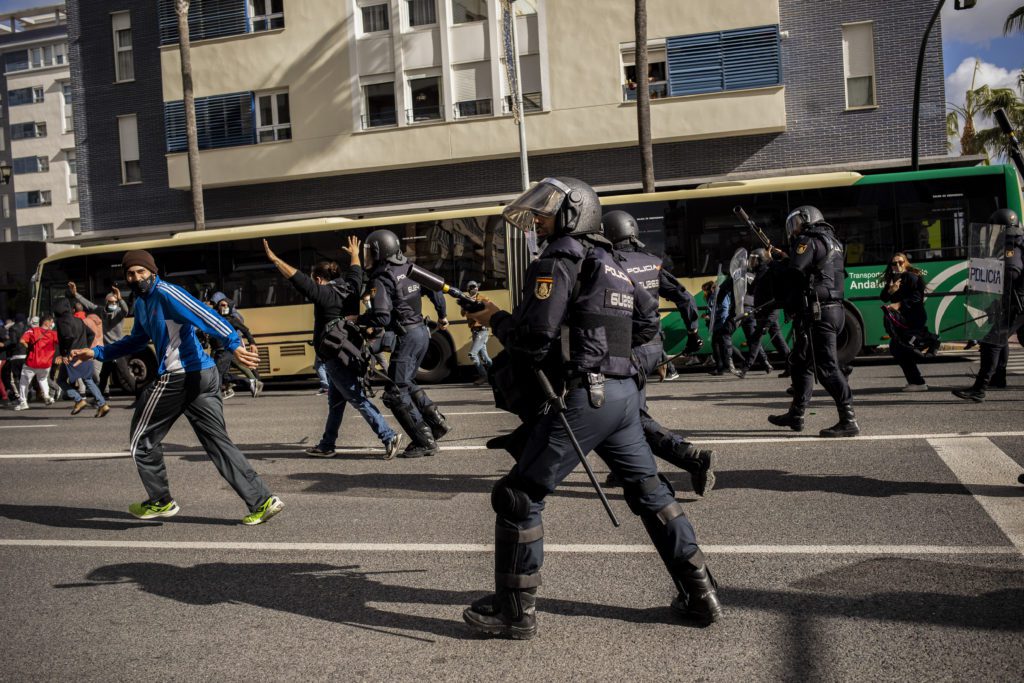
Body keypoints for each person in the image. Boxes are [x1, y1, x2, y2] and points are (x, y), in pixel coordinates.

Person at [461, 177, 721, 640]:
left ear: (572, 214)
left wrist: (493, 318)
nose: (538, 220)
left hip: (584, 398)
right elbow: (644, 326)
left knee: (517, 498)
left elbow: (535, 336)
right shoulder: (613, 261)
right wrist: (606, 355)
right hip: (621, 398)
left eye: (546, 212)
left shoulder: (559, 257)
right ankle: (701, 593)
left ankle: (514, 612)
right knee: (653, 496)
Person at [69, 249, 284, 525]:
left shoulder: (167, 293)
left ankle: (161, 500)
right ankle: (262, 500)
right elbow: (136, 341)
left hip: (181, 375)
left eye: (141, 272)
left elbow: (203, 313)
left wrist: (233, 343)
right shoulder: (143, 303)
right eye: (131, 274)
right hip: (199, 377)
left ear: (153, 272)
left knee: (141, 441)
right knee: (218, 443)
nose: (136, 278)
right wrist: (97, 353)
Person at [603, 209, 713, 496]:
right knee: (631, 408)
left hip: (627, 349)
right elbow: (684, 296)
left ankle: (691, 457)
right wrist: (692, 333)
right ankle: (625, 467)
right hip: (653, 345)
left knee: (629, 415)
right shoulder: (652, 262)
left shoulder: (610, 263)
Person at [263, 236, 401, 459]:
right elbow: (356, 270)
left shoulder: (324, 294)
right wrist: (354, 253)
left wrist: (275, 259)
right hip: (349, 352)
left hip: (335, 357)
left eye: (313, 280)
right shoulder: (352, 287)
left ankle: (388, 435)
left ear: (318, 279)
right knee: (336, 403)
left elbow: (296, 278)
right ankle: (327, 445)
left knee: (356, 399)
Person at [768, 206, 859, 437]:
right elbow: (813, 268)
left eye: (796, 222)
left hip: (820, 312)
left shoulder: (807, 239)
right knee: (800, 363)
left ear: (807, 219)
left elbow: (795, 273)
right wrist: (788, 257)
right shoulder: (831, 241)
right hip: (832, 310)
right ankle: (796, 415)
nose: (794, 229)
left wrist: (777, 264)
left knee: (826, 367)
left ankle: (848, 420)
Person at [360, 229, 450, 458]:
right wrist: (442, 316)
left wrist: (358, 320)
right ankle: (437, 423)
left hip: (407, 336)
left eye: (370, 251)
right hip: (422, 332)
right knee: (406, 383)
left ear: (380, 251)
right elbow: (437, 290)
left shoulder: (382, 277)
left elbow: (382, 316)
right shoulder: (410, 267)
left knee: (394, 392)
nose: (367, 256)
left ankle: (425, 441)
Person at [953, 209, 1024, 402]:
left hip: (1014, 305)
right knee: (999, 341)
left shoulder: (1011, 245)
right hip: (1016, 305)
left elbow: (1011, 273)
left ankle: (979, 389)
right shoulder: (1019, 240)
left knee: (991, 343)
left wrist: (990, 288)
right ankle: (998, 378)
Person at [880, 253, 934, 391]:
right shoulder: (893, 279)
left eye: (900, 262)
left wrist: (899, 305)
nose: (897, 265)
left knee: (900, 347)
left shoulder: (911, 277)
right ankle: (917, 381)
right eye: (894, 263)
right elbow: (884, 297)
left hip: (913, 317)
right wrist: (891, 290)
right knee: (898, 348)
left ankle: (931, 343)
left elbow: (917, 297)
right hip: (901, 320)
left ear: (905, 262)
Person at [68, 281, 134, 396]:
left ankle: (139, 395)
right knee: (103, 376)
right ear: (106, 302)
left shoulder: (119, 313)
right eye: (111, 302)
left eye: (115, 302)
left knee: (125, 374)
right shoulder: (101, 311)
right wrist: (76, 294)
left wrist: (120, 299)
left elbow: (126, 310)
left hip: (118, 349)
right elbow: (88, 305)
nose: (114, 304)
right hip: (108, 349)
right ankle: (100, 398)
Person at [737, 248, 791, 378]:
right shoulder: (760, 272)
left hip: (770, 311)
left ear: (761, 260)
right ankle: (791, 366)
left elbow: (777, 292)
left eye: (754, 259)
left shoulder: (769, 271)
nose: (752, 262)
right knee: (778, 340)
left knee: (755, 338)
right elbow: (750, 289)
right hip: (764, 311)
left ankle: (745, 368)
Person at [53, 298, 108, 417]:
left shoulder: (62, 320)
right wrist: (85, 348)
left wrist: (64, 353)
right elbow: (91, 334)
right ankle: (102, 404)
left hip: (71, 356)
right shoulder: (79, 320)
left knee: (61, 380)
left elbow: (67, 336)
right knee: (88, 380)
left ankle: (79, 400)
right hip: (83, 355)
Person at [214, 296, 263, 398]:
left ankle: (215, 396)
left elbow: (246, 331)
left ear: (230, 307)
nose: (222, 307)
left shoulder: (232, 320)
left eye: (224, 305)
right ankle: (250, 382)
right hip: (218, 351)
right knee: (224, 375)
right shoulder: (215, 318)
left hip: (225, 351)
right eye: (220, 305)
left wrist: (252, 343)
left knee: (217, 373)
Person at [15, 314, 58, 410]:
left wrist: (29, 347)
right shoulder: (53, 334)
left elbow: (22, 340)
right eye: (51, 321)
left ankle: (23, 402)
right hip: (46, 363)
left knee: (24, 382)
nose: (52, 323)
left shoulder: (32, 331)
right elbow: (61, 342)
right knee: (43, 379)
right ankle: (46, 396)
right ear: (46, 322)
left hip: (32, 362)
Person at [460, 281, 493, 385]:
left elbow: (487, 310)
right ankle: (496, 373)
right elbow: (462, 313)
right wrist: (466, 304)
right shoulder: (465, 299)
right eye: (472, 287)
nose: (475, 289)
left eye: (476, 287)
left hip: (482, 330)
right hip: (474, 331)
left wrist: (475, 304)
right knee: (485, 357)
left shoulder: (483, 298)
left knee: (473, 354)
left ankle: (484, 376)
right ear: (468, 289)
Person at [706, 278, 738, 376]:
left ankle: (722, 367)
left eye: (713, 288)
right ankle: (721, 367)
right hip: (717, 324)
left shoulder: (720, 295)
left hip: (720, 324)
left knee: (718, 345)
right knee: (719, 345)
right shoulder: (714, 295)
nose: (712, 290)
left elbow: (724, 309)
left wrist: (714, 317)